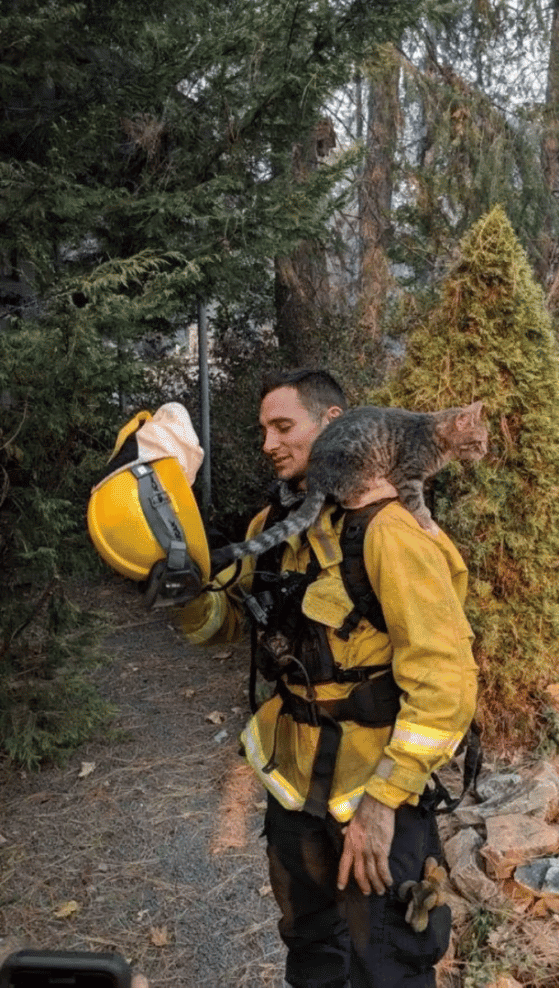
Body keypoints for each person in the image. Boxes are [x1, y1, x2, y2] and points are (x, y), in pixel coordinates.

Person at [174, 369, 478, 988]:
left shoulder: (390, 533)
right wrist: (183, 593)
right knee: (312, 953)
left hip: (374, 796)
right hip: (295, 789)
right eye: (263, 430)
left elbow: (446, 682)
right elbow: (228, 624)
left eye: (283, 427)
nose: (268, 443)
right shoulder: (273, 527)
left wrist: (384, 803)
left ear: (335, 426)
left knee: (388, 965)